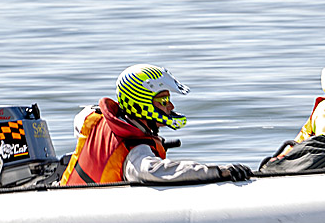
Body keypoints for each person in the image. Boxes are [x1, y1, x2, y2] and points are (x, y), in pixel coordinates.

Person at [59, 64, 253, 186]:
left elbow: (80, 121)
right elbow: (157, 172)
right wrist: (219, 171)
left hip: (66, 193)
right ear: (142, 103)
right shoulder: (135, 151)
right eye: (163, 100)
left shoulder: (96, 116)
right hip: (86, 217)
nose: (171, 106)